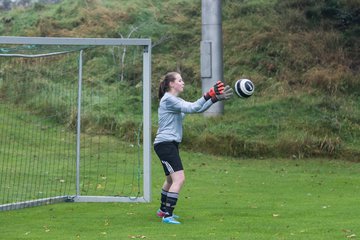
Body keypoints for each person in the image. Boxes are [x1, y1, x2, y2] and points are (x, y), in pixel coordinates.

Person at [153, 72, 233, 224]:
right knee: (179, 179)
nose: (183, 83)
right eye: (180, 80)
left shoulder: (174, 100)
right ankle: (167, 216)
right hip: (165, 144)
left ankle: (163, 210)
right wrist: (209, 94)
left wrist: (214, 98)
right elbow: (193, 106)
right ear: (171, 84)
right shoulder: (169, 100)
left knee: (170, 179)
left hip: (169, 144)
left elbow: (197, 109)